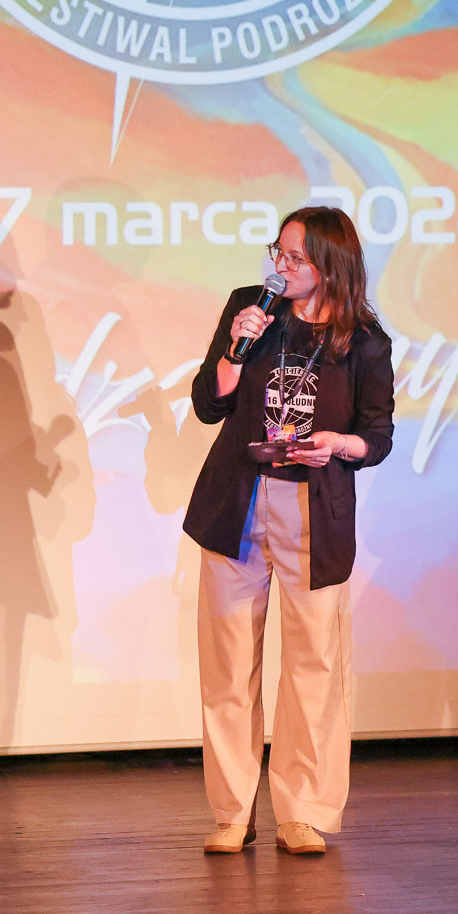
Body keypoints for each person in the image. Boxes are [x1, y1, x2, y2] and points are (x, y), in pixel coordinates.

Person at [184, 206, 395, 856]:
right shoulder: (251, 307)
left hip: (313, 509)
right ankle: (232, 811)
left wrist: (337, 444)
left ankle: (301, 809)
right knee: (228, 665)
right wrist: (234, 347)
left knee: (313, 665)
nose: (280, 266)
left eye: (294, 258)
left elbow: (378, 435)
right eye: (277, 252)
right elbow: (208, 403)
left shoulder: (364, 339)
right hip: (238, 504)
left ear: (329, 264)